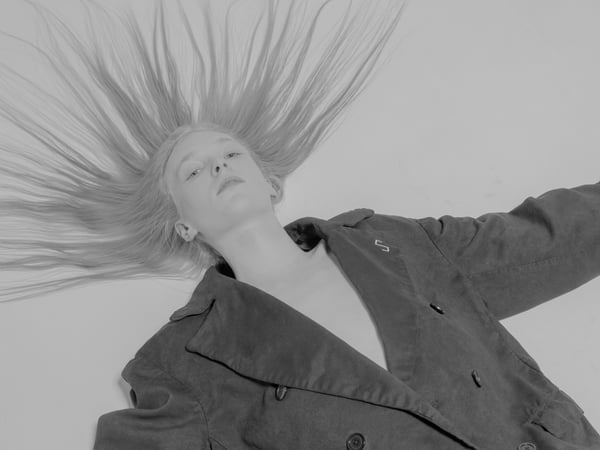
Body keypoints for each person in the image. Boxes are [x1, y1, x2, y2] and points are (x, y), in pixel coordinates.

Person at [0, 1, 599, 449]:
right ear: (182, 224)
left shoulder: (393, 243)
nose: (218, 165)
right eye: (193, 170)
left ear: (271, 183)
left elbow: (548, 239)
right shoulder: (183, 363)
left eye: (231, 153)